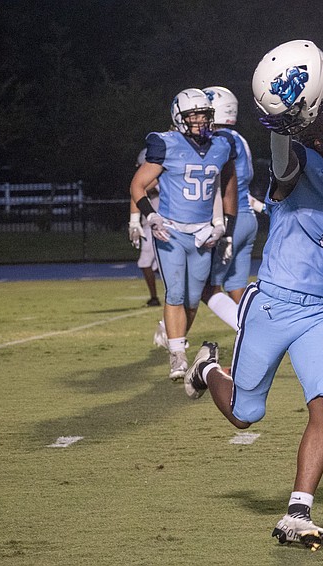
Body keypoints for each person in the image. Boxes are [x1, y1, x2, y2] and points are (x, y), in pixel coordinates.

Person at [183, 40, 323, 550]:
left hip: (319, 315)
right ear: (322, 138)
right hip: (271, 304)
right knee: (247, 415)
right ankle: (207, 368)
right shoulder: (303, 163)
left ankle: (297, 513)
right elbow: (284, 161)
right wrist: (281, 124)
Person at [130, 88, 238, 380]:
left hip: (204, 234)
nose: (200, 121)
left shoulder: (223, 145)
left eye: (204, 115)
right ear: (179, 118)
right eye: (193, 116)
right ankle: (177, 355)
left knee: (192, 299)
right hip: (172, 231)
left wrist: (224, 226)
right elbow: (138, 185)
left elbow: (227, 184)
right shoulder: (165, 144)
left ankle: (174, 339)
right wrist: (149, 216)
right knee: (175, 293)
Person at [199, 86, 259, 330]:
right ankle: (257, 328)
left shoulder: (220, 140)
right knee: (236, 286)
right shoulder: (239, 138)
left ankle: (252, 333)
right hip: (248, 217)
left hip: (229, 218)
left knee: (207, 289)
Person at [127, 149, 161, 308]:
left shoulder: (161, 177)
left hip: (157, 226)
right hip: (153, 225)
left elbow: (140, 189)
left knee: (145, 262)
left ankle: (155, 297)